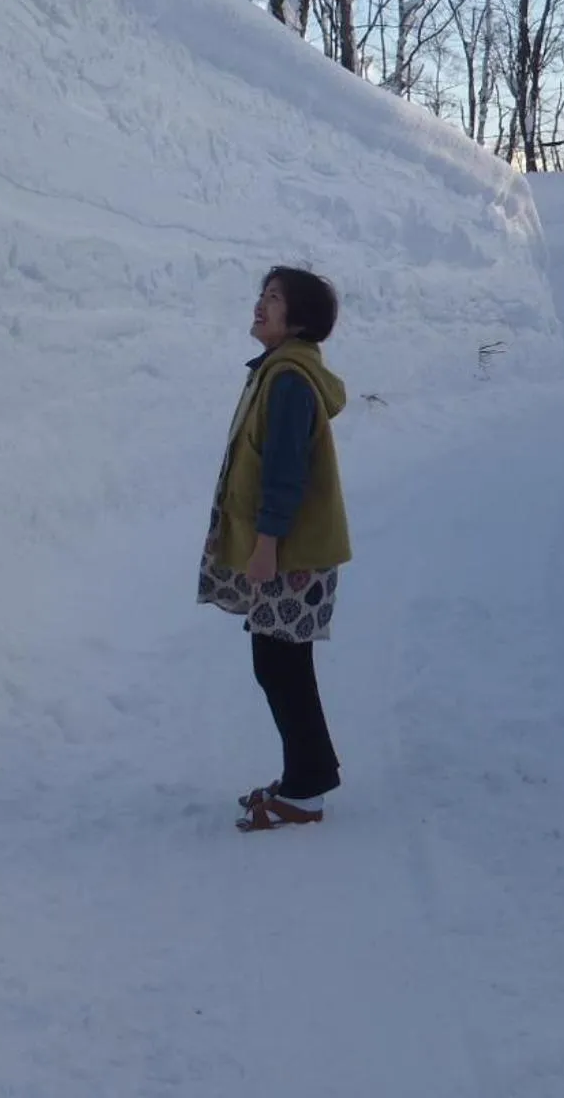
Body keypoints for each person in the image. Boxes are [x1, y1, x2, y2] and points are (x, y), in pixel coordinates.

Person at [197, 266, 352, 832]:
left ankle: (307, 790)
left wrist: (266, 546)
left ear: (300, 320)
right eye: (262, 295)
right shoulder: (279, 371)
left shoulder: (288, 380)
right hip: (293, 551)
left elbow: (285, 474)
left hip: (293, 554)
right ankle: (306, 774)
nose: (260, 306)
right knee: (282, 665)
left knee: (281, 668)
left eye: (274, 298)